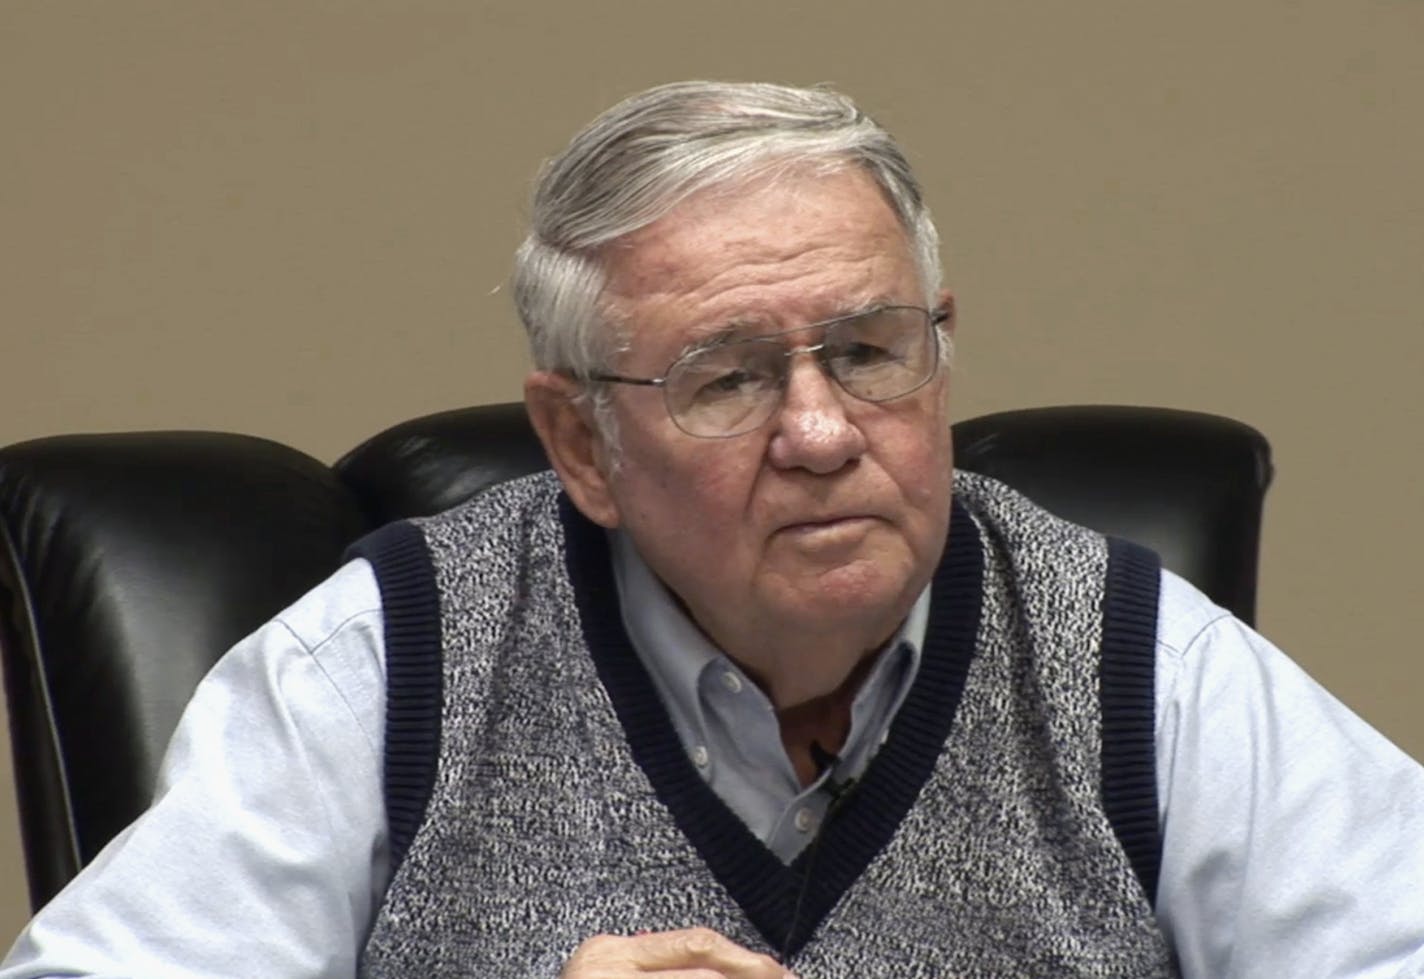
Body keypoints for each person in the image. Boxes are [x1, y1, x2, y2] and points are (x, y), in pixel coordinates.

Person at [3, 80, 1423, 978]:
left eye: (870, 351)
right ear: (583, 442)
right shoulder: (383, 669)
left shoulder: (1130, 658)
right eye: (728, 378)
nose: (818, 431)